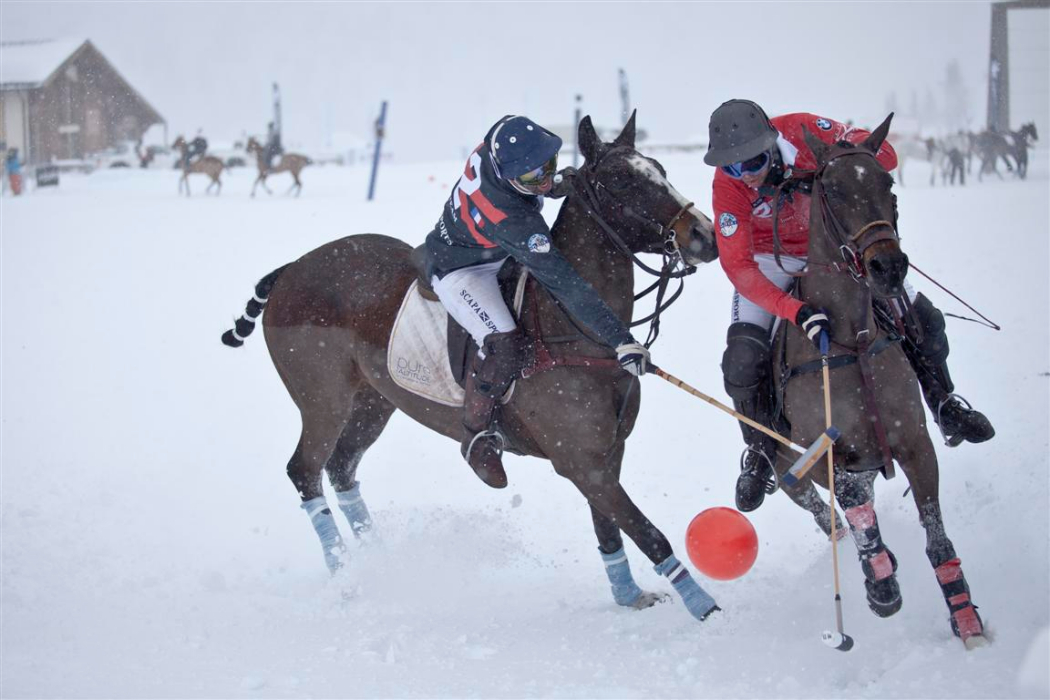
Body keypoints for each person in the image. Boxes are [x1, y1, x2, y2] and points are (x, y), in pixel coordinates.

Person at [704, 99, 994, 512]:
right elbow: (739, 267)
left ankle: (945, 402)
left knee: (923, 319)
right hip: (771, 262)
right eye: (733, 167)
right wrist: (793, 310)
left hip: (840, 250)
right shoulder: (728, 186)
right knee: (742, 361)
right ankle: (762, 449)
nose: (745, 175)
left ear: (771, 142)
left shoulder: (805, 131)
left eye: (753, 162)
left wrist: (833, 164)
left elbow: (884, 156)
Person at [424, 114, 651, 489]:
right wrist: (618, 337)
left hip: (493, 248)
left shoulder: (503, 137)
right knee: (506, 343)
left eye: (549, 165)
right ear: (509, 175)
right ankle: (477, 435)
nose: (545, 179)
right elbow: (566, 283)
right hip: (462, 269)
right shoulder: (511, 218)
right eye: (532, 178)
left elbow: (537, 172)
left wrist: (549, 180)